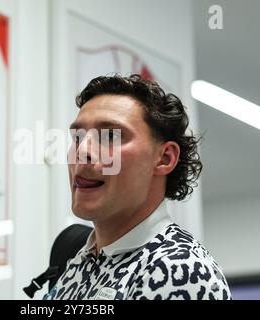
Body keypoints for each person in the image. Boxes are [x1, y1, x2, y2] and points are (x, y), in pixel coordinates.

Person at [43, 74, 231, 300]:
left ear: (164, 158)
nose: (82, 151)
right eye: (77, 137)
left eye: (110, 135)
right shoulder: (79, 261)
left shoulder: (179, 269)